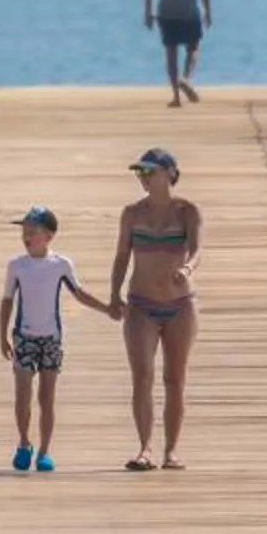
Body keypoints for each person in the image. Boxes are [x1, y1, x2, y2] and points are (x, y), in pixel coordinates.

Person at [0, 206, 118, 473]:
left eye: (33, 231)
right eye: (24, 231)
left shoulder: (60, 264)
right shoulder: (17, 266)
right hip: (24, 337)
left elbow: (79, 293)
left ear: (49, 236)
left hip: (50, 337)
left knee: (47, 397)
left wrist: (107, 309)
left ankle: (44, 451)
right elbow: (7, 301)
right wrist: (2, 336)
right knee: (22, 394)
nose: (27, 236)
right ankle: (24, 442)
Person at [107, 146, 202, 470]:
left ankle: (171, 450)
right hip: (141, 304)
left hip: (180, 304)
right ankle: (145, 448)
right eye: (140, 173)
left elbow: (196, 249)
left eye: (150, 172)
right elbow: (122, 256)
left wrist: (187, 269)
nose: (143, 178)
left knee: (175, 379)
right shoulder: (132, 213)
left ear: (170, 174)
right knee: (142, 376)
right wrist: (113, 295)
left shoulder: (187, 211)